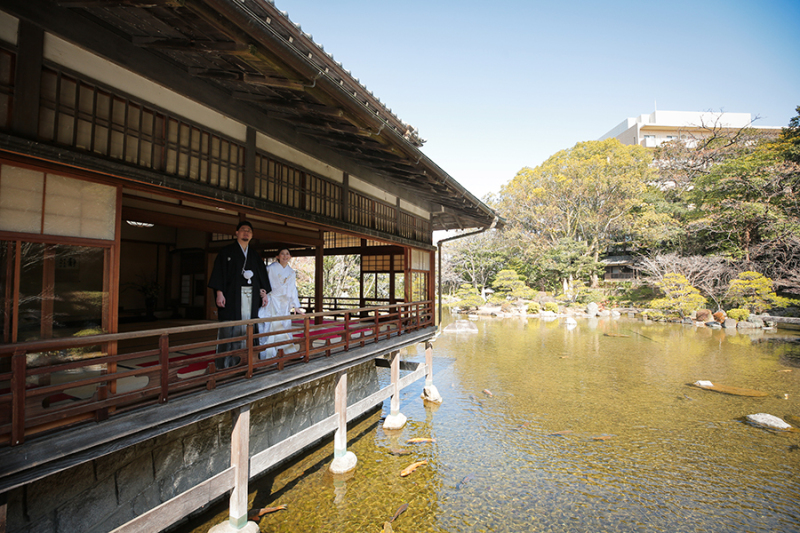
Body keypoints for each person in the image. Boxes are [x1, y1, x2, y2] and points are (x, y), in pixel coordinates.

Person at [208, 221, 270, 368]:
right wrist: (219, 292)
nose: (246, 233)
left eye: (249, 230)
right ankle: (226, 362)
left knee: (250, 327)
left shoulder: (254, 255)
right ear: (236, 233)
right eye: (243, 230)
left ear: (252, 235)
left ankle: (249, 359)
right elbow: (219, 273)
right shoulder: (226, 252)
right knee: (230, 327)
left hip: (251, 297)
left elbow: (261, 276)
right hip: (231, 296)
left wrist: (263, 291)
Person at [259, 248, 305, 359]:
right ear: (278, 256)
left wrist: (296, 306)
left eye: (287, 254)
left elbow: (293, 289)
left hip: (284, 303)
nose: (285, 256)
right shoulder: (270, 268)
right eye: (282, 254)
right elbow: (262, 281)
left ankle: (285, 353)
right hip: (272, 301)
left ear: (290, 257)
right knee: (270, 327)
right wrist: (262, 292)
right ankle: (268, 355)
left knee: (284, 326)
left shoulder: (291, 272)